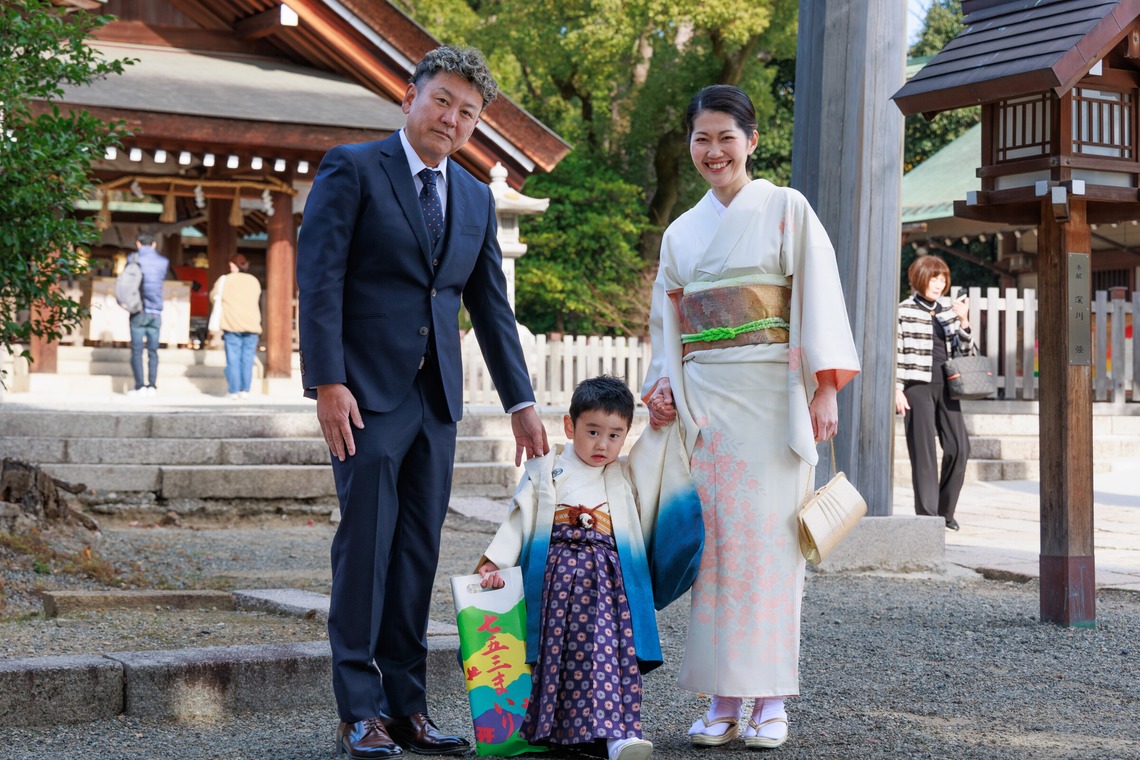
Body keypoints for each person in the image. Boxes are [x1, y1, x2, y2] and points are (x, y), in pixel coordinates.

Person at [295, 46, 549, 760]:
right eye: (443, 101)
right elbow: (320, 280)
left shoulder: (472, 195)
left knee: (416, 554)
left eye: (468, 112)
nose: (452, 118)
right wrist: (327, 383)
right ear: (412, 97)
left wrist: (521, 401)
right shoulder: (354, 167)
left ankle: (408, 708)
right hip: (365, 397)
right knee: (366, 550)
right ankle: (359, 712)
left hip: (437, 401)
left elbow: (490, 308)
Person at [641, 85, 860, 750]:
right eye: (701, 139)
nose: (713, 151)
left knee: (769, 551)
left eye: (725, 138)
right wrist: (661, 385)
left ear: (752, 141)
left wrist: (824, 386)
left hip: (770, 398)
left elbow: (817, 296)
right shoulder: (681, 231)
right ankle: (721, 698)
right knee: (716, 555)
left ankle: (769, 700)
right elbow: (666, 324)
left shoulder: (787, 209)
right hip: (706, 402)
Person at [476, 376, 665, 760]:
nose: (602, 444)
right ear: (569, 426)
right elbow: (519, 518)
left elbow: (656, 459)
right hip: (556, 580)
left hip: (609, 584)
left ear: (627, 434)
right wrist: (495, 562)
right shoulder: (545, 470)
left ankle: (619, 736)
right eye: (592, 431)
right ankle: (563, 732)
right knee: (559, 653)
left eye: (615, 435)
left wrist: (662, 425)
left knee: (608, 651)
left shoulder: (622, 473)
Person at [895, 255, 972, 531]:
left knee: (960, 448)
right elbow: (898, 350)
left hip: (947, 386)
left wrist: (963, 323)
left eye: (942, 279)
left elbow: (966, 354)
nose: (939, 284)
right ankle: (928, 519)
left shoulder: (948, 312)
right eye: (933, 278)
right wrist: (897, 389)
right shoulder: (903, 310)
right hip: (917, 387)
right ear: (919, 278)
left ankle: (945, 511)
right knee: (924, 453)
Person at [209, 254, 262, 399]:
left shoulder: (225, 280)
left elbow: (213, 296)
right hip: (252, 324)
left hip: (232, 324)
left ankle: (233, 390)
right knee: (248, 358)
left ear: (233, 265)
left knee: (233, 358)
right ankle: (245, 390)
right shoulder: (254, 281)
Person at [127, 232, 169, 397]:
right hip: (156, 311)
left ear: (138, 244)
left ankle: (139, 386)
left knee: (137, 351)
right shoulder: (163, 262)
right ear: (154, 245)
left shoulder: (133, 259)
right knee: (153, 351)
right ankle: (152, 385)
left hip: (138, 310)